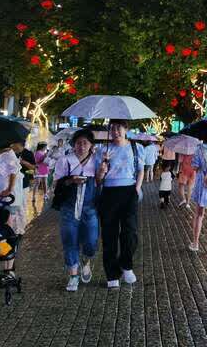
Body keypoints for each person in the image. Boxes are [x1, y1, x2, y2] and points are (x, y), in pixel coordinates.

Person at [95, 119, 144, 289]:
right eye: (112, 128)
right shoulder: (103, 150)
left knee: (130, 232)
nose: (115, 132)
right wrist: (102, 170)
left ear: (126, 129)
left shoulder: (136, 147)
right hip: (109, 193)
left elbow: (141, 170)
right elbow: (98, 180)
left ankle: (126, 264)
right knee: (109, 235)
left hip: (129, 192)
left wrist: (136, 188)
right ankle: (112, 274)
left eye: (118, 128)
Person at [53, 129, 98, 292]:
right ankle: (73, 275)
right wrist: (71, 180)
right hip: (69, 207)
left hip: (90, 207)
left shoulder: (97, 160)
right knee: (69, 240)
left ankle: (86, 259)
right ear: (74, 144)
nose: (82, 146)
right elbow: (56, 184)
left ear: (91, 145)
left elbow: (101, 181)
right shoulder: (65, 160)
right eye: (79, 142)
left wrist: (102, 171)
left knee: (91, 241)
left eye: (85, 142)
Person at [0, 142, 26, 237]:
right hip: (0, 195)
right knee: (3, 221)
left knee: (6, 221)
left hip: (6, 198)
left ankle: (6, 239)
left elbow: (13, 172)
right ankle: (5, 238)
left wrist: (9, 189)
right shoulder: (2, 155)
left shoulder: (7, 156)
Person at [14, 142, 36, 207]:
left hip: (24, 182)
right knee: (15, 203)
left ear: (20, 144)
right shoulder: (12, 153)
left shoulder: (28, 153)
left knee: (22, 204)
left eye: (15, 144)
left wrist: (24, 163)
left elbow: (33, 169)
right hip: (14, 182)